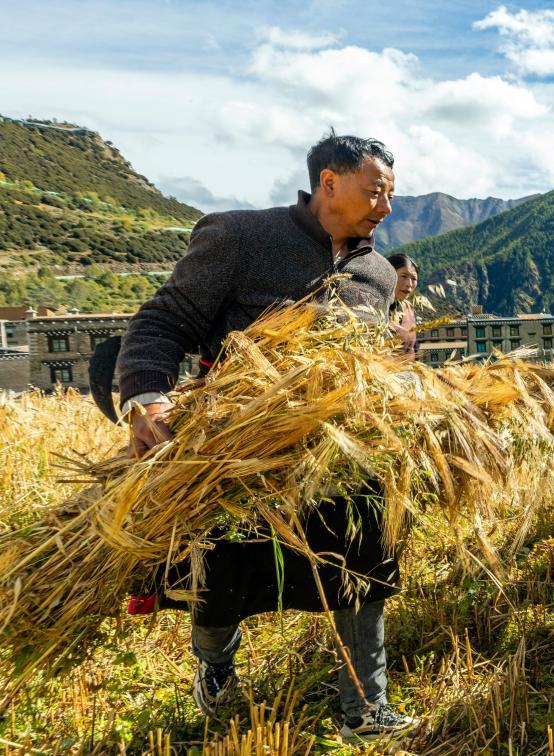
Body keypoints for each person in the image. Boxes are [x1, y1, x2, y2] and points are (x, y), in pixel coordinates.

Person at [116, 131, 418, 742]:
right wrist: (146, 396)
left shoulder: (378, 274)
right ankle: (215, 663)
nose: (386, 207)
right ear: (328, 183)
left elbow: (374, 361)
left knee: (363, 565)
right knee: (223, 580)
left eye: (390, 193)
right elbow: (164, 321)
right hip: (239, 453)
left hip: (343, 452)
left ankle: (367, 708)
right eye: (376, 191)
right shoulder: (240, 237)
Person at [386, 253, 419, 360]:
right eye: (404, 276)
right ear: (388, 275)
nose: (409, 284)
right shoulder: (374, 307)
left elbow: (414, 348)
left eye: (414, 279)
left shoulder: (409, 310)